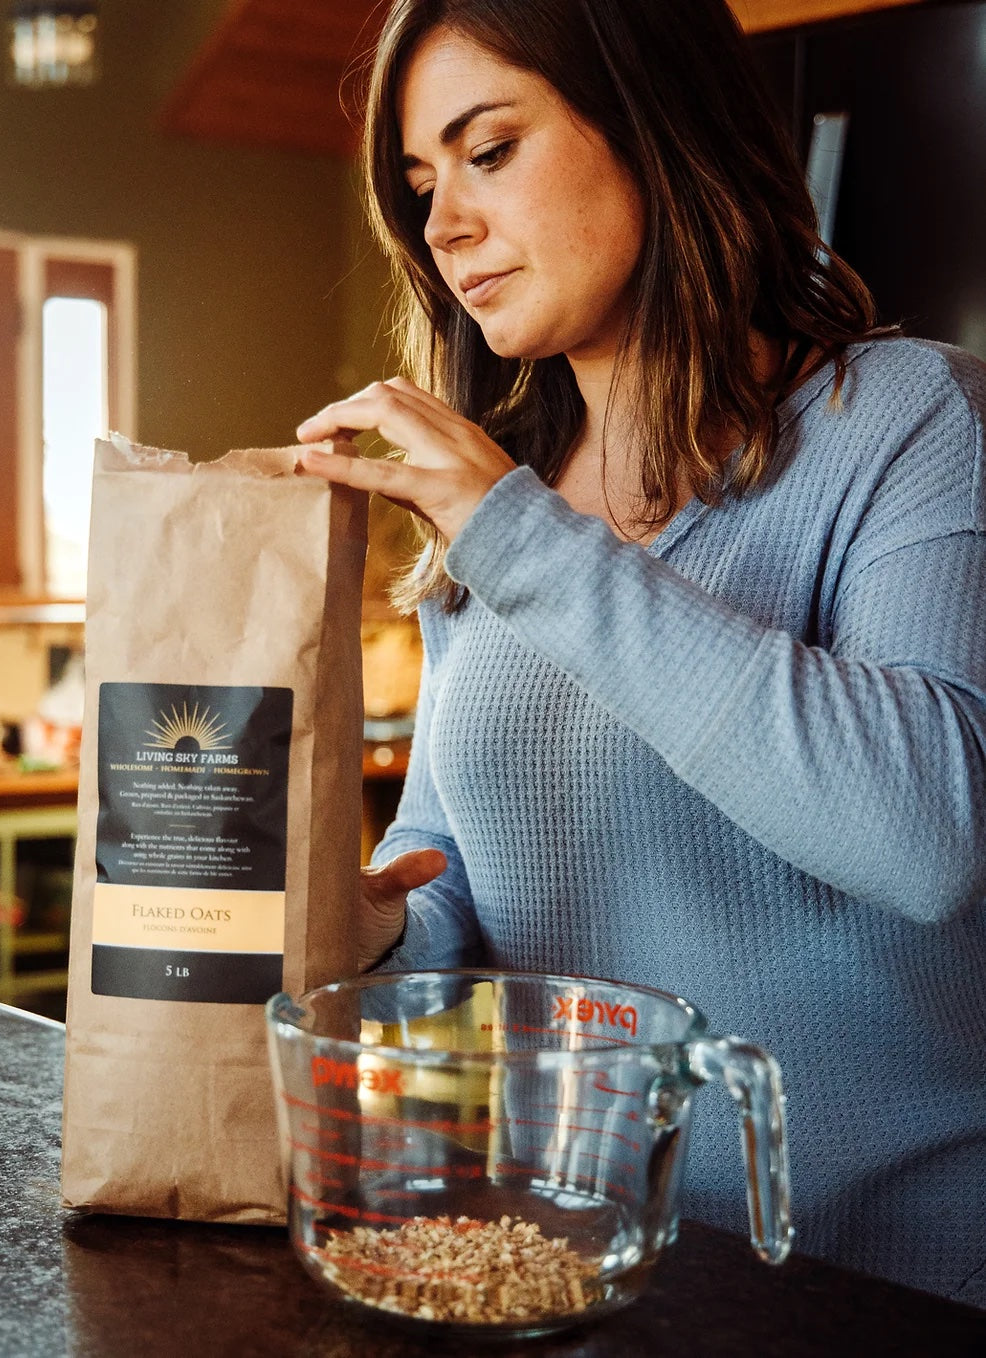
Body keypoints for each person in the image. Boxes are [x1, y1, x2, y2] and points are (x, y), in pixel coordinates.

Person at [295, 0, 986, 1306]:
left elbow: (928, 833)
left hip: (890, 1290)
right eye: (418, 182)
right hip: (572, 1270)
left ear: (652, 127)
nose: (440, 225)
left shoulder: (912, 422)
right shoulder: (486, 523)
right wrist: (351, 910)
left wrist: (519, 535)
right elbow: (455, 900)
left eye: (486, 150)